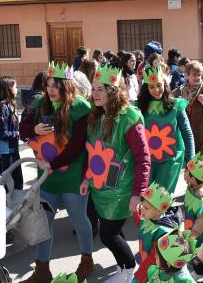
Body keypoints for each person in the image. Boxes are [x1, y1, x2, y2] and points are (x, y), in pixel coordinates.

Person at [19, 62, 93, 283]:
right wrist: (33, 129)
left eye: (56, 85)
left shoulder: (80, 107)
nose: (51, 89)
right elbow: (21, 128)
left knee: (79, 218)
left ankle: (86, 260)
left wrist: (51, 163)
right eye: (48, 84)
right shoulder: (41, 103)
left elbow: (77, 145)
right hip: (48, 176)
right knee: (45, 221)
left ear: (67, 86)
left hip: (72, 176)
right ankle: (42, 269)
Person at [78, 64, 150, 283]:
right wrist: (87, 177)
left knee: (108, 234)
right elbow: (94, 152)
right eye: (94, 89)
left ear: (114, 90)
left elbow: (143, 158)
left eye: (101, 89)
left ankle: (130, 270)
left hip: (122, 189)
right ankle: (124, 267)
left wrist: (137, 193)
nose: (95, 94)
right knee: (113, 233)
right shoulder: (96, 115)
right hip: (101, 187)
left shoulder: (128, 117)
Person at [137, 66, 194, 194]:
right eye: (151, 87)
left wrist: (190, 160)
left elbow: (187, 132)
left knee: (159, 199)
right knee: (146, 199)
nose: (157, 90)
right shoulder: (138, 107)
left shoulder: (175, 105)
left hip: (170, 159)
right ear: (146, 88)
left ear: (165, 84)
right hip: (146, 161)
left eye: (159, 85)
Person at [132, 182, 182, 283]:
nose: (141, 209)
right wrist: (134, 211)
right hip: (145, 263)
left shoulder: (163, 233)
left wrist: (139, 276)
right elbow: (142, 223)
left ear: (158, 211)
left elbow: (152, 259)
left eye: (146, 208)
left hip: (154, 270)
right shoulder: (150, 217)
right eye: (142, 205)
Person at [173, 61, 203, 155]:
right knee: (187, 162)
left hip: (201, 133)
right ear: (187, 75)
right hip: (183, 132)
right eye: (194, 75)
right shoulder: (180, 91)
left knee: (199, 164)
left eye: (199, 75)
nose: (197, 78)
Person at [0, 76, 23, 189]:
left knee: (17, 181)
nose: (17, 88)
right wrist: (17, 133)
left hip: (11, 149)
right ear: (8, 89)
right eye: (15, 86)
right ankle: (9, 205)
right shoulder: (1, 107)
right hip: (4, 152)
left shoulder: (9, 105)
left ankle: (16, 204)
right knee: (9, 185)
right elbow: (2, 134)